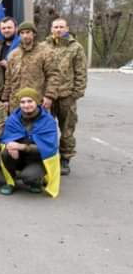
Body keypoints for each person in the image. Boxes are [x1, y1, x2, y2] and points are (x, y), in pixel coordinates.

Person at [0, 88, 60, 197]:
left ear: (37, 102)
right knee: (5, 153)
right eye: (22, 102)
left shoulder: (48, 121)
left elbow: (49, 148)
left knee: (29, 177)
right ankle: (11, 182)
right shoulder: (13, 119)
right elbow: (6, 137)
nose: (26, 105)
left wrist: (21, 147)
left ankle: (36, 181)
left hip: (39, 159)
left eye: (30, 101)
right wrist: (9, 144)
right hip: (21, 157)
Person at [45, 17, 87, 175]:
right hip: (48, 95)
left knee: (67, 129)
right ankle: (47, 157)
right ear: (51, 29)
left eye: (61, 27)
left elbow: (81, 72)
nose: (58, 30)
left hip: (66, 95)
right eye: (55, 27)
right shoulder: (44, 46)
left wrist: (76, 93)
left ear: (67, 28)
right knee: (46, 128)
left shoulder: (75, 47)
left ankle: (65, 159)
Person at [1, 21, 60, 113]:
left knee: (39, 126)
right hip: (16, 102)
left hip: (38, 100)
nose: (25, 36)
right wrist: (5, 99)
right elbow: (8, 79)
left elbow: (53, 76)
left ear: (34, 34)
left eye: (28, 32)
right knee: (17, 127)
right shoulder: (13, 55)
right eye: (22, 33)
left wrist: (49, 96)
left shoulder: (46, 52)